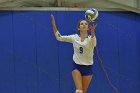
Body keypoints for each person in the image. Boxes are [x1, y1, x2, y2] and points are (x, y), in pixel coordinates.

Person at [51, 14, 97, 93]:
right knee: (79, 90)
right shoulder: (74, 37)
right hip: (77, 67)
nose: (84, 25)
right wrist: (54, 25)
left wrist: (93, 32)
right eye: (81, 24)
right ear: (78, 27)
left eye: (86, 24)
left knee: (83, 91)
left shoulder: (90, 39)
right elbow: (59, 38)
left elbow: (94, 43)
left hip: (88, 68)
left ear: (88, 28)